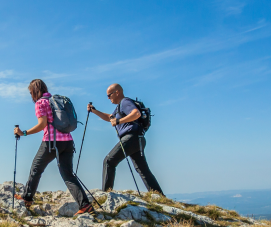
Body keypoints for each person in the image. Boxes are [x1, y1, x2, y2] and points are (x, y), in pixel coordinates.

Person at [14, 79, 94, 215]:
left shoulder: (41, 103)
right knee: (68, 174)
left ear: (34, 91)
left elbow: (42, 124)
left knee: (36, 168)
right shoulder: (55, 100)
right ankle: (85, 205)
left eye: (30, 92)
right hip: (68, 142)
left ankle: (27, 198)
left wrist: (24, 133)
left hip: (51, 142)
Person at [86, 84, 164, 195]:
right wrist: (94, 111)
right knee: (143, 170)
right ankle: (159, 195)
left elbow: (136, 113)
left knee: (109, 161)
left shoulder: (125, 102)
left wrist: (118, 121)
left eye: (109, 95)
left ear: (117, 92)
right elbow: (110, 118)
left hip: (131, 138)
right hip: (138, 139)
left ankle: (107, 194)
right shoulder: (119, 107)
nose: (108, 98)